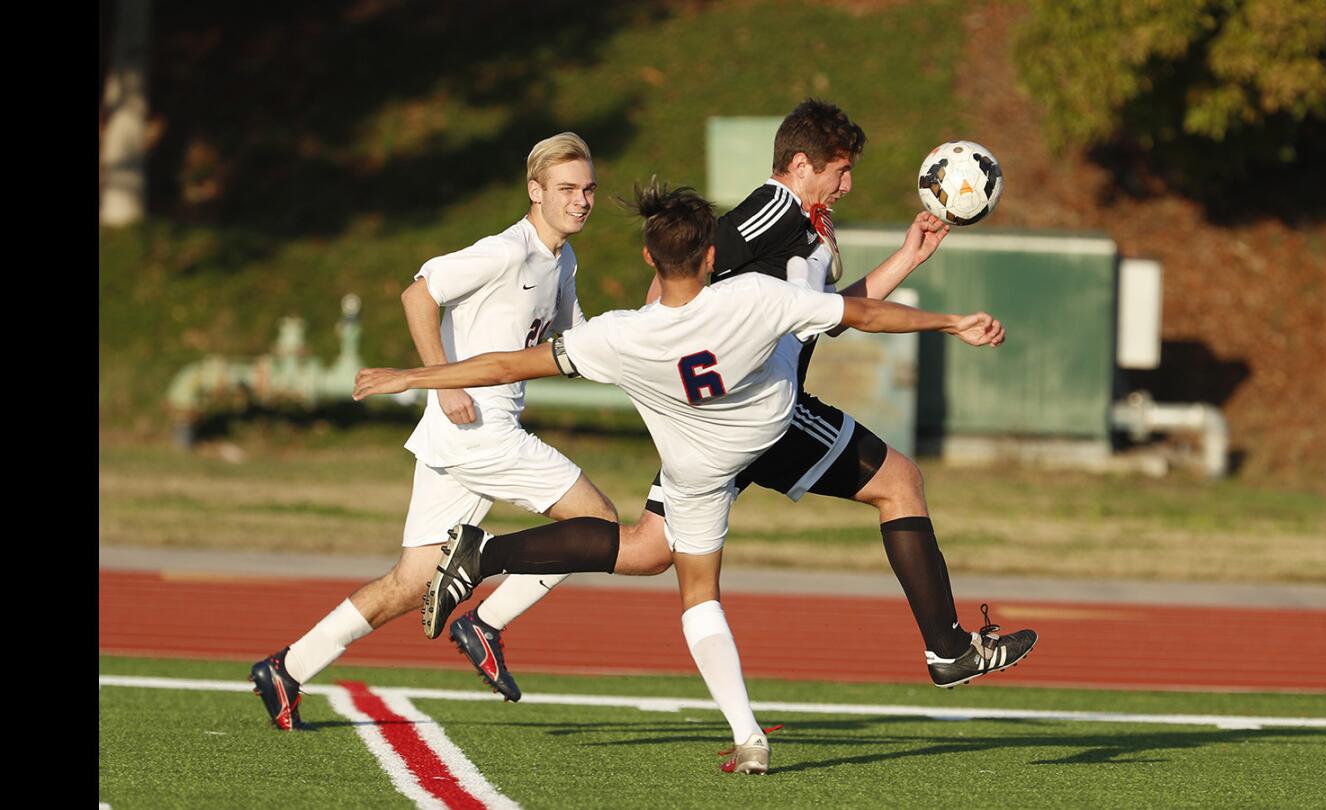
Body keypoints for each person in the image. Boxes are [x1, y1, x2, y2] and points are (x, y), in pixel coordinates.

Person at [352, 179, 1018, 775]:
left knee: (680, 580)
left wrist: (413, 375)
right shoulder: (754, 296)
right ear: (709, 256)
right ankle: (935, 652)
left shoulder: (618, 335)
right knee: (889, 485)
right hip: (765, 434)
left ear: (649, 260)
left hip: (694, 468)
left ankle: (745, 733)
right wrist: (951, 321)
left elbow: (503, 365)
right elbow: (863, 316)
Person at [461, 99, 1040, 698]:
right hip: (764, 408)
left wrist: (908, 257)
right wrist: (664, 346)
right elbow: (679, 266)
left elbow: (831, 317)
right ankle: (948, 649)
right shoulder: (774, 209)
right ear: (799, 163)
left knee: (647, 549)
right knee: (900, 482)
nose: (848, 184)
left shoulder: (809, 223)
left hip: (720, 415)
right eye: (839, 171)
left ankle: (482, 567)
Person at [248, 132, 624, 730]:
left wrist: (657, 337)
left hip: (463, 439)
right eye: (567, 189)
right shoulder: (503, 252)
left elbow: (577, 340)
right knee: (599, 527)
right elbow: (417, 295)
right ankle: (486, 622)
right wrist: (442, 383)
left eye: (588, 190)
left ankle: (287, 668)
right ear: (535, 191)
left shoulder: (563, 261)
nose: (580, 201)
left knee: (409, 583)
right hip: (478, 431)